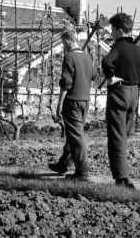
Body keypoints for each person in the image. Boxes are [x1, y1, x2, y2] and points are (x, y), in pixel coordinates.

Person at [102, 13, 140, 189]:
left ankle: (122, 179)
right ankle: (122, 176)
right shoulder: (137, 50)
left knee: (116, 137)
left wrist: (111, 77)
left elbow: (106, 61)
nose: (111, 34)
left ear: (119, 30)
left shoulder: (118, 46)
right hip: (134, 95)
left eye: (112, 30)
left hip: (119, 93)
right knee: (124, 136)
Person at [48, 26, 96, 181]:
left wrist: (59, 103)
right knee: (73, 133)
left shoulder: (69, 57)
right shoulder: (87, 57)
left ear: (68, 40)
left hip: (73, 101)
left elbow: (65, 84)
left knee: (76, 136)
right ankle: (64, 163)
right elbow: (94, 76)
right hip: (85, 101)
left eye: (63, 43)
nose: (64, 46)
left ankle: (82, 172)